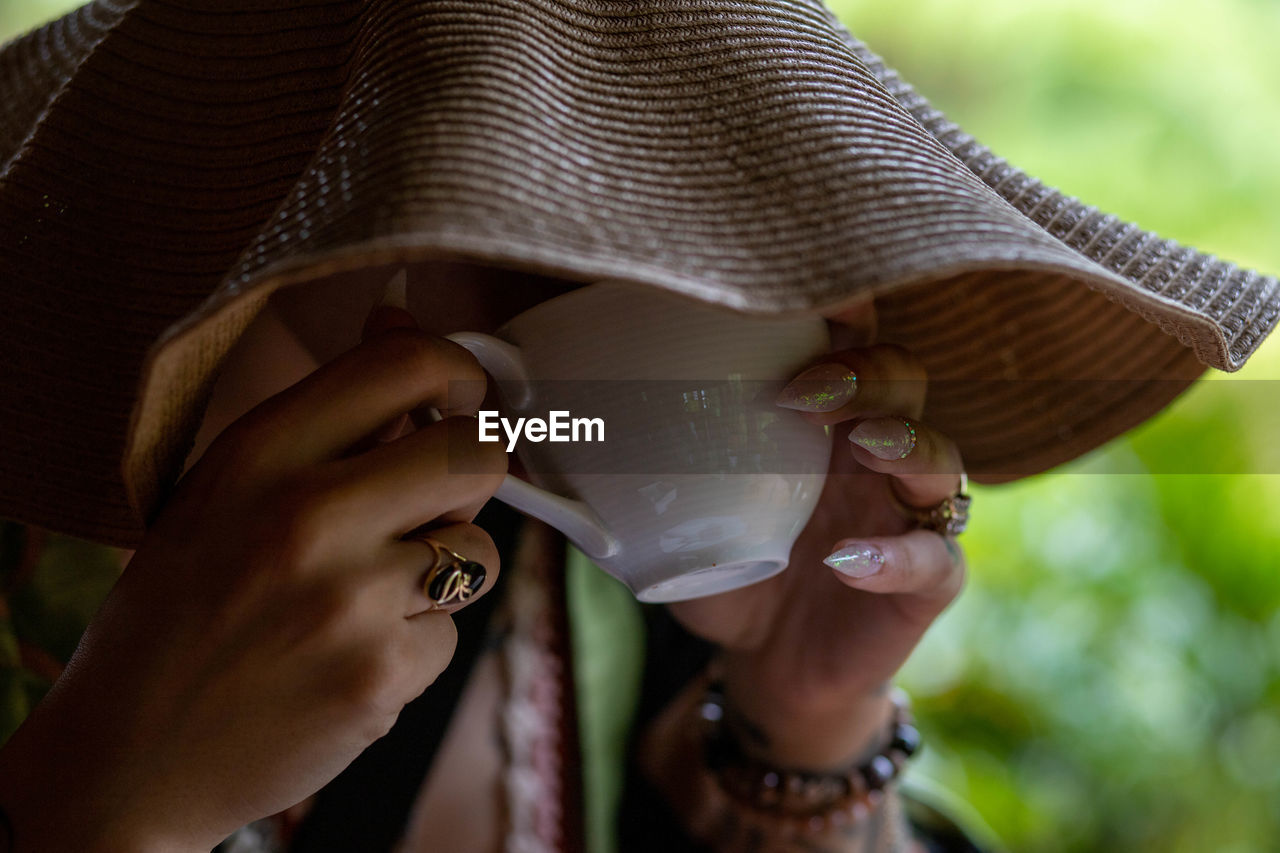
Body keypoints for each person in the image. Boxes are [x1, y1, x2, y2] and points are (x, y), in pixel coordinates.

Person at [0, 1, 1277, 851]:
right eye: (603, 212)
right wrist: (105, 805)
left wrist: (804, 717)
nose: (820, 308)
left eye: (806, 226)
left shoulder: (579, 582)